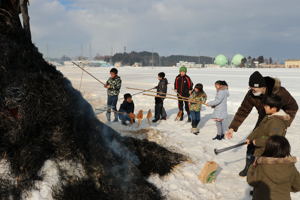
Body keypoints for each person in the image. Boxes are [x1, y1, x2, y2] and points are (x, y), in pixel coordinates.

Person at [225, 71, 298, 177]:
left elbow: (293, 107)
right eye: (250, 88)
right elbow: (243, 110)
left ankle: (269, 172)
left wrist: (285, 122)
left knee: (272, 146)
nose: (251, 91)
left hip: (277, 121)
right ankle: (249, 167)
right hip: (263, 120)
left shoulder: (279, 92)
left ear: (263, 87)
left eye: (254, 89)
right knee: (251, 143)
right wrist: (232, 127)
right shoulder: (252, 94)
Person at [247, 136, 300, 200]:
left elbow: (251, 181)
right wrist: (285, 188)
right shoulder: (290, 167)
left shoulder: (261, 166)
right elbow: (298, 186)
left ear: (268, 149)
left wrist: (252, 167)